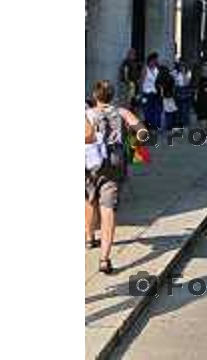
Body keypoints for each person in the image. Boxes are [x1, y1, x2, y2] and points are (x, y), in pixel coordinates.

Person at [85, 80, 142, 273]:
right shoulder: (122, 112)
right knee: (108, 208)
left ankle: (89, 237)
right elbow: (142, 133)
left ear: (95, 96)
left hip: (90, 163)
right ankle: (104, 259)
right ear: (112, 95)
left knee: (89, 199)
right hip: (114, 163)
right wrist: (132, 140)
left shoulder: (87, 114)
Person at [140, 52, 161, 128]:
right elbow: (141, 82)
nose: (155, 62)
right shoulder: (145, 69)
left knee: (155, 110)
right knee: (147, 110)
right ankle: (147, 125)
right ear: (150, 61)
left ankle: (154, 125)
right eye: (153, 60)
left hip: (155, 93)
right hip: (146, 93)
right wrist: (140, 93)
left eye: (155, 60)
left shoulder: (156, 70)